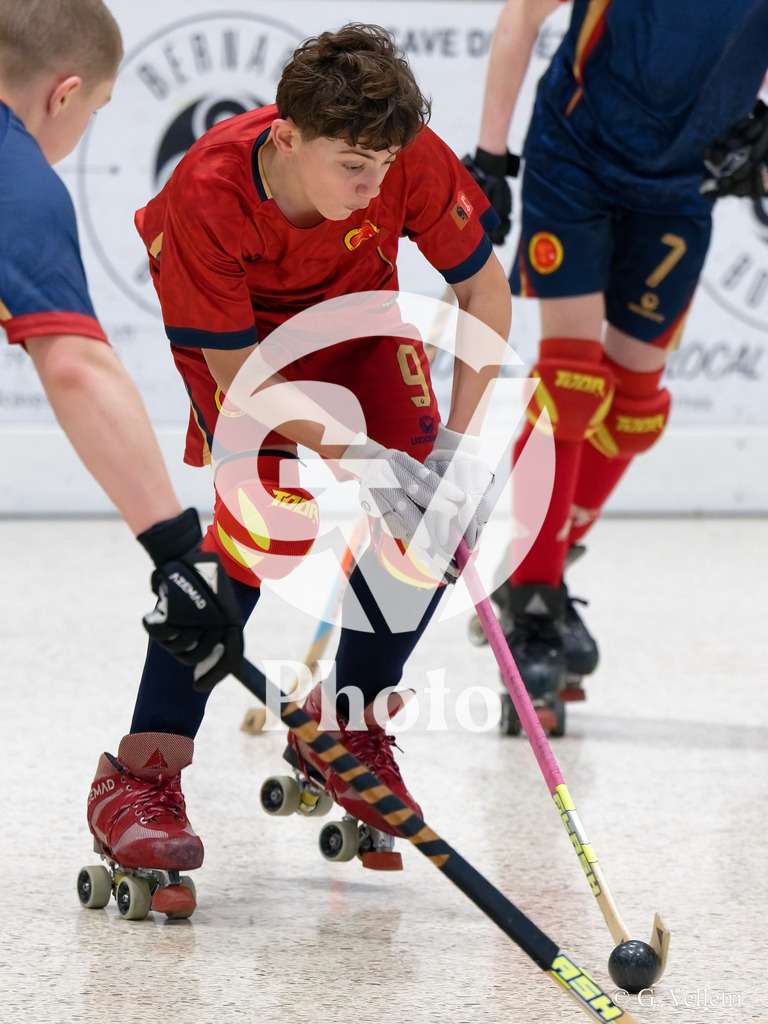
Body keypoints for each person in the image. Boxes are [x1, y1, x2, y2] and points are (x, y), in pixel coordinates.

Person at [85, 22, 512, 906]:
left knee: (429, 512)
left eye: (385, 168)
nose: (375, 185)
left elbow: (483, 291)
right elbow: (242, 384)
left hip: (356, 335)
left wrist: (454, 454)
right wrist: (361, 456)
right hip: (251, 363)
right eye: (354, 167)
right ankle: (140, 774)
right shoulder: (201, 195)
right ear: (286, 137)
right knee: (266, 530)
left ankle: (344, 724)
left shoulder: (402, 153)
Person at [464, 0, 768, 731]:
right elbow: (521, 17)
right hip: (579, 156)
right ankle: (534, 609)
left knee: (633, 409)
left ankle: (539, 561)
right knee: (570, 385)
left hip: (682, 179)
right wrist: (492, 159)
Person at [0, 0, 244, 691]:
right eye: (97, 109)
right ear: (65, 95)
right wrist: (177, 552)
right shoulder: (17, 183)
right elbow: (75, 365)